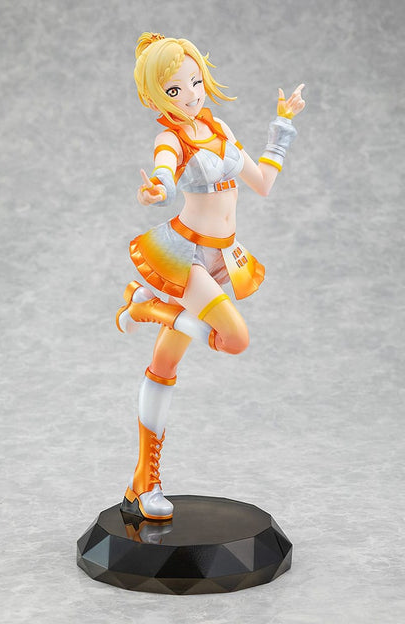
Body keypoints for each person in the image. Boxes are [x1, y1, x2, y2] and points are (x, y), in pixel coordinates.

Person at [117, 32, 305, 521]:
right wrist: (156, 190)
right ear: (155, 96)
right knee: (235, 338)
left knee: (164, 364)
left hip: (224, 257)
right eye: (174, 90)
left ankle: (144, 480)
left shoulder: (217, 126)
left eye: (195, 82)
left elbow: (263, 182)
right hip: (187, 255)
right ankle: (147, 307)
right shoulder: (170, 137)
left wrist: (282, 125)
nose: (190, 95)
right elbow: (163, 172)